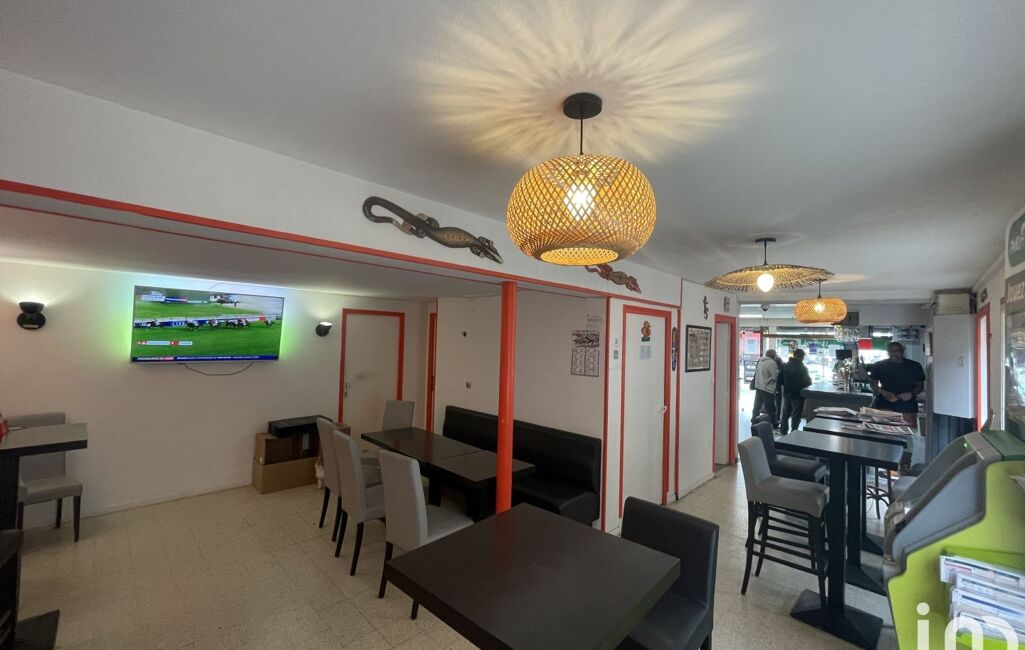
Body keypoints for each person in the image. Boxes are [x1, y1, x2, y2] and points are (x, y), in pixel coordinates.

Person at [869, 342, 926, 426]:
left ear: (902, 351)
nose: (894, 354)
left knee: (907, 429)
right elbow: (873, 382)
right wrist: (882, 392)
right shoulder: (879, 365)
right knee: (883, 428)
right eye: (891, 351)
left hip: (907, 405)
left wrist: (911, 394)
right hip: (885, 402)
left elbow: (920, 386)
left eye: (897, 351)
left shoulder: (914, 366)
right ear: (887, 352)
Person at [779, 349, 812, 434]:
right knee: (796, 414)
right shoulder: (802, 368)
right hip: (798, 394)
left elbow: (780, 379)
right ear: (802, 356)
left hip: (787, 393)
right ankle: (794, 432)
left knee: (785, 413)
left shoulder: (785, 365)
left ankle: (783, 430)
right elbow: (808, 382)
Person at [752, 349, 779, 427]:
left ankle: (754, 421)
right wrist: (777, 372)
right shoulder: (772, 363)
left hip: (759, 386)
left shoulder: (760, 360)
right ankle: (774, 423)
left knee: (757, 406)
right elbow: (774, 376)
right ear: (774, 356)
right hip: (767, 388)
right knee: (770, 408)